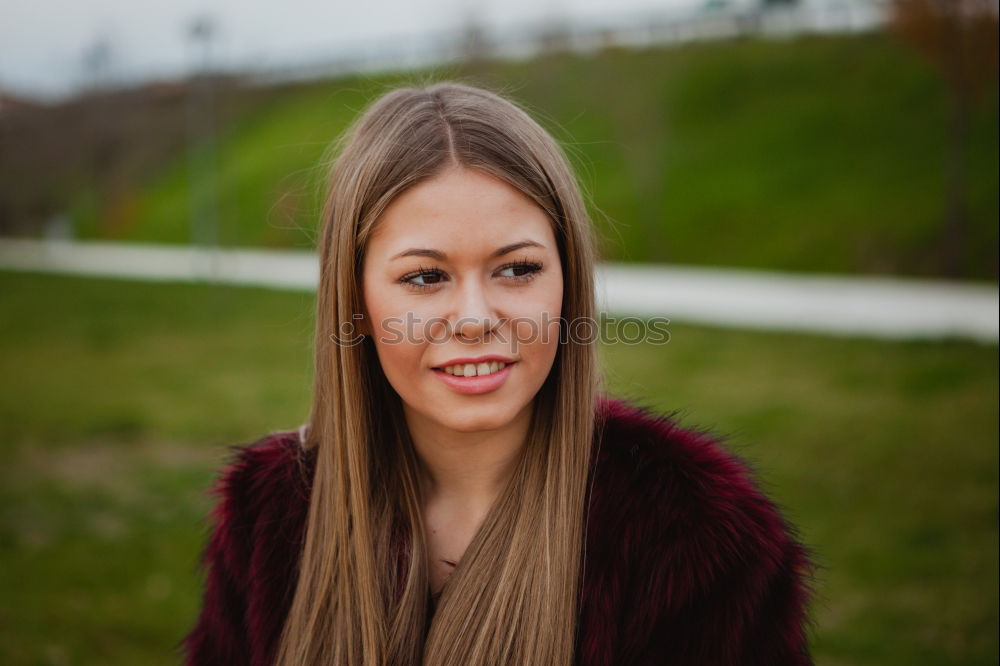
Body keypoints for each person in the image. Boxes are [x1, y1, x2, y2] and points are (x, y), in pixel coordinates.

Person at [181, 81, 816, 666]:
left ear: (568, 281)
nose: (476, 319)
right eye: (425, 277)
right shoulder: (270, 517)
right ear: (356, 301)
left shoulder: (694, 536)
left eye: (517, 269)